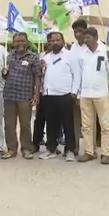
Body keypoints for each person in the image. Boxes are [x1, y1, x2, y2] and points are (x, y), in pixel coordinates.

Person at [76, 27, 109, 164]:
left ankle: (105, 153)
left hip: (101, 94)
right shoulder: (82, 53)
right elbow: (79, 74)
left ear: (96, 37)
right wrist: (77, 92)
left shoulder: (106, 51)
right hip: (85, 94)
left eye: (88, 38)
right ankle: (89, 152)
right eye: (84, 38)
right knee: (86, 125)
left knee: (104, 125)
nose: (85, 40)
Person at [39, 32, 79, 161]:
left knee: (68, 125)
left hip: (65, 95)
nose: (55, 42)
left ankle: (70, 150)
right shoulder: (45, 57)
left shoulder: (70, 55)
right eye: (52, 40)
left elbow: (77, 74)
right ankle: (51, 149)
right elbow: (42, 75)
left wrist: (74, 92)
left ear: (63, 41)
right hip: (49, 94)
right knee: (51, 125)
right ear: (49, 42)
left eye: (58, 40)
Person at [1, 32, 41, 160]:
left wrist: (36, 94)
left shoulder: (33, 57)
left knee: (25, 124)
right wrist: (4, 73)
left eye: (22, 41)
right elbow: (5, 76)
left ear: (26, 41)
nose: (20, 43)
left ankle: (26, 149)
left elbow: (37, 77)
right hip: (9, 96)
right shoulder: (9, 57)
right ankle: (11, 149)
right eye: (17, 41)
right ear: (13, 43)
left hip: (25, 96)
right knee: (9, 125)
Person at [70, 19, 87, 145]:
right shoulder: (73, 48)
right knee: (75, 120)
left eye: (80, 31)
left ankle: (90, 148)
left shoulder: (94, 46)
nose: (77, 35)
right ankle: (75, 146)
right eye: (75, 32)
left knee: (89, 122)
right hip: (76, 90)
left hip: (90, 89)